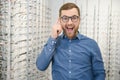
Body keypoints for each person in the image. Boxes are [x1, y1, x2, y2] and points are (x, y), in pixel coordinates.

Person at [36, 2, 106, 80]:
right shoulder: (53, 43)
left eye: (74, 18)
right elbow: (41, 66)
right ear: (60, 21)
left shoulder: (92, 44)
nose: (70, 23)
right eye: (65, 18)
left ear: (79, 20)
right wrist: (53, 37)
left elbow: (99, 73)